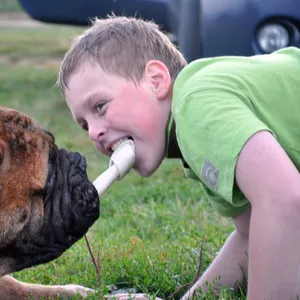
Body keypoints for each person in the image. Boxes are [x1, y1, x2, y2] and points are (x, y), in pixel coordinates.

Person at [57, 15, 300, 300]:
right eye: (85, 125)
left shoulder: (196, 104)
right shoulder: (197, 128)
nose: (94, 133)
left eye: (100, 106)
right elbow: (249, 235)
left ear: (156, 81)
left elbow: (283, 199)